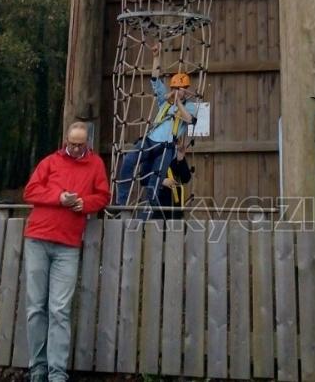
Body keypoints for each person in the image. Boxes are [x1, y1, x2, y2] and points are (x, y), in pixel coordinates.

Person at [23, 121, 109, 382]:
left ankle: (57, 372)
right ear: (66, 141)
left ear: (87, 144)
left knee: (60, 309)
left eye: (79, 145)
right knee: (36, 308)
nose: (74, 148)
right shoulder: (50, 162)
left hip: (68, 245)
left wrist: (85, 203)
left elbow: (103, 196)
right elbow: (30, 191)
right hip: (38, 238)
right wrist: (59, 197)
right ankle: (37, 368)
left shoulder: (95, 165)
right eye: (71, 143)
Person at [116, 39, 198, 208]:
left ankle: (151, 216)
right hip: (150, 141)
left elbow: (189, 120)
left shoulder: (190, 106)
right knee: (128, 162)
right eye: (175, 88)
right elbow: (155, 79)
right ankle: (121, 203)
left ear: (185, 90)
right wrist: (156, 57)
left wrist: (178, 102)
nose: (177, 91)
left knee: (155, 182)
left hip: (167, 147)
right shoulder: (163, 102)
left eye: (180, 89)